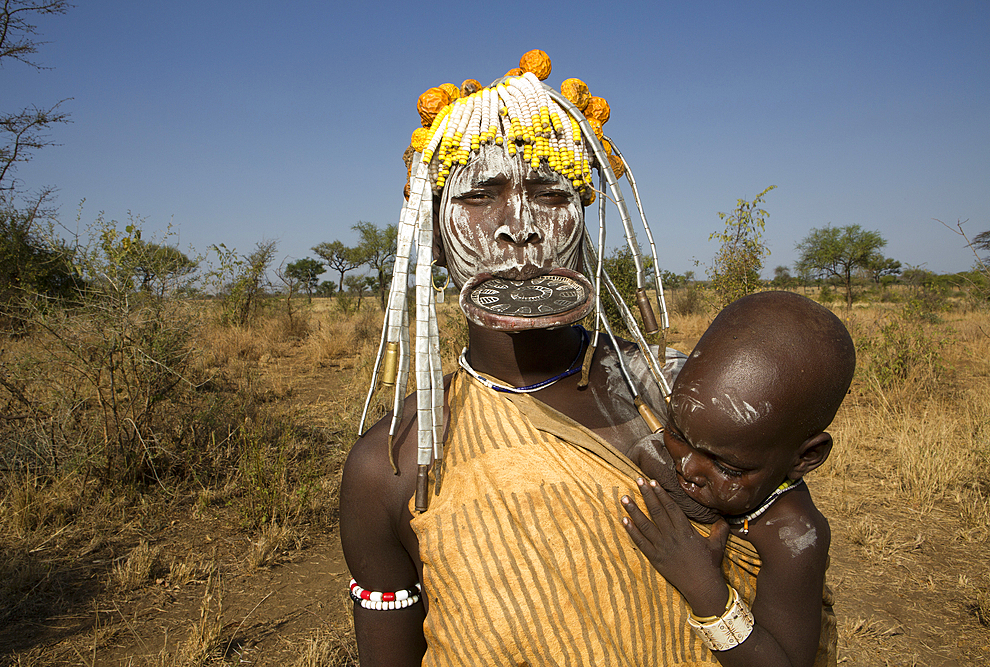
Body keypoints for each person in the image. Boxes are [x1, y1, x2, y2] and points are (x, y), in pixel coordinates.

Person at [340, 52, 835, 667]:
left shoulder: (684, 403)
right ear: (434, 237)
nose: (516, 226)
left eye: (550, 193)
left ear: (584, 222)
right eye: (479, 196)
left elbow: (788, 574)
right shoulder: (391, 464)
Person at [621, 290, 854, 667]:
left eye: (727, 468)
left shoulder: (793, 534)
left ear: (805, 457)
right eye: (677, 435)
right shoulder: (711, 458)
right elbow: (646, 454)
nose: (688, 469)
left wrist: (704, 587)